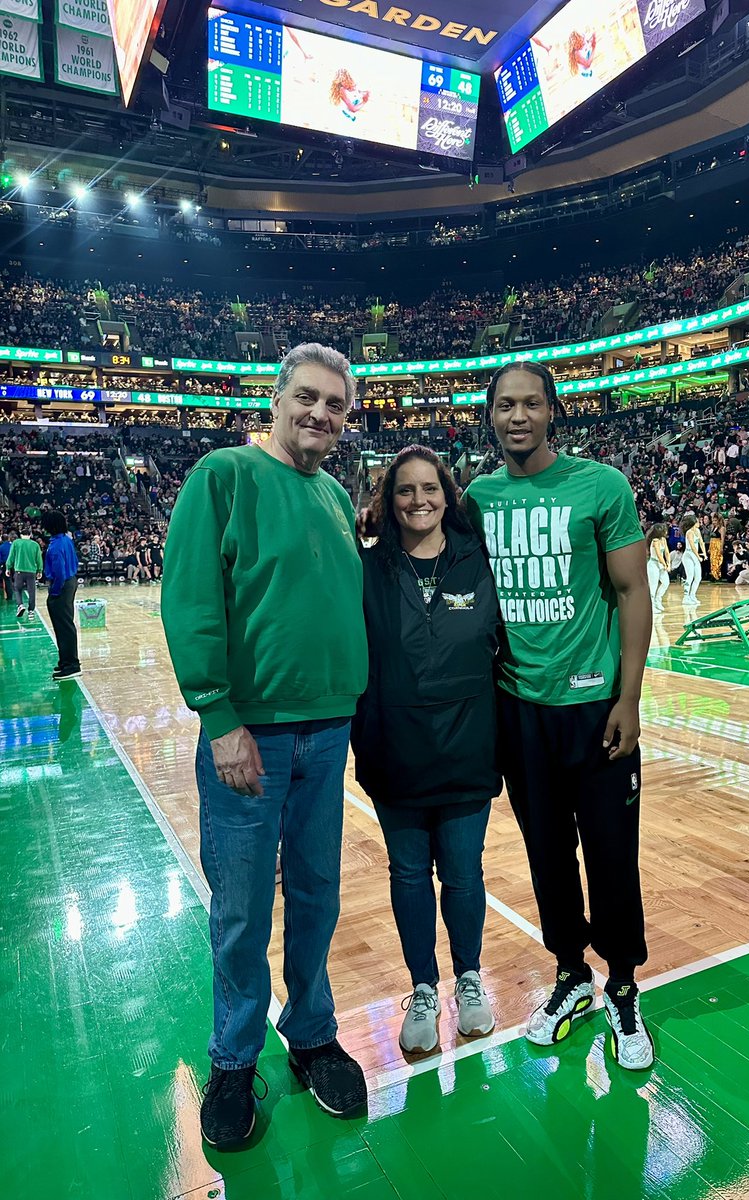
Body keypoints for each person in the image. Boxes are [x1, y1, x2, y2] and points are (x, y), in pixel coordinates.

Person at [161, 344, 369, 1150]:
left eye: (336, 406)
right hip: (251, 736)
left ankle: (311, 1032)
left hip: (329, 728)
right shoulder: (223, 476)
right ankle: (235, 1057)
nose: (321, 414)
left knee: (317, 893)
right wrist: (218, 717)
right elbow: (191, 598)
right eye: (308, 398)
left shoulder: (335, 499)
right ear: (276, 400)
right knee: (244, 908)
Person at [465, 362, 655, 1071]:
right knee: (546, 854)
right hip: (519, 713)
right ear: (490, 416)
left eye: (531, 404)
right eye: (506, 405)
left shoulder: (600, 486)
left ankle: (625, 984)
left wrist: (629, 698)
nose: (518, 416)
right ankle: (571, 973)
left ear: (552, 412)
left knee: (611, 854)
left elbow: (634, 593)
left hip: (596, 710)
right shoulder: (476, 498)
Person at [352, 446, 501, 1054]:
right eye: (405, 491)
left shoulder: (481, 561)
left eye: (430, 489)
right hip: (396, 751)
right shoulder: (368, 568)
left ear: (448, 494)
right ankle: (422, 986)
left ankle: (469, 976)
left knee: (463, 874)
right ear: (388, 502)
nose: (419, 500)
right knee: (410, 875)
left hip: (467, 747)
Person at [42, 511, 81, 681]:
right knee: (64, 625)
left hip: (62, 585)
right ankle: (66, 661)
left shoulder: (56, 545)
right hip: (70, 582)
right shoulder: (66, 540)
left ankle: (72, 665)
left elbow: (59, 571)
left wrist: (54, 591)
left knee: (64, 626)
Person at [8, 527, 43, 621]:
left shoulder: (16, 543)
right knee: (32, 591)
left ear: (21, 535)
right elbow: (39, 559)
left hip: (19, 571)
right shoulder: (35, 545)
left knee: (17, 589)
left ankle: (20, 605)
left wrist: (8, 567)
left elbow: (11, 556)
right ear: (30, 535)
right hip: (31, 572)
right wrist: (40, 570)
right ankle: (31, 611)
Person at [681, 515, 706, 607]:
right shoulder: (689, 532)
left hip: (695, 555)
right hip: (688, 555)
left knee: (698, 577)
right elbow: (692, 546)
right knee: (690, 576)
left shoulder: (698, 531)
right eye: (697, 521)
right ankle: (685, 597)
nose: (699, 522)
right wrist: (698, 557)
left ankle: (692, 595)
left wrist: (704, 553)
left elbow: (701, 542)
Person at [646, 524, 671, 614]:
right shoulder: (655, 541)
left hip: (661, 564)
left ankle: (658, 600)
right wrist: (664, 564)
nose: (666, 531)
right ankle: (651, 606)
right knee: (653, 586)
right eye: (665, 530)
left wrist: (669, 564)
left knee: (666, 582)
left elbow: (667, 553)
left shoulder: (663, 540)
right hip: (653, 564)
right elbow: (659, 555)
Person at [0, 530, 13, 601]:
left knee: (7, 580)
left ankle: (9, 596)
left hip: (6, 564)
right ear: (8, 539)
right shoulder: (13, 546)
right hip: (15, 564)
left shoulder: (1, 547)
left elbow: (0, 559)